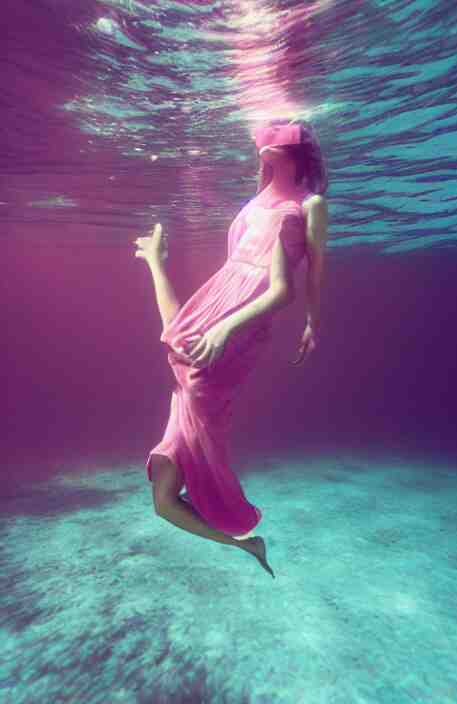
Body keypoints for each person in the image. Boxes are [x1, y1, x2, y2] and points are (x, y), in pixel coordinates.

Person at [134, 118, 329, 578]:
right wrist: (158, 265)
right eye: (263, 146)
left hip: (244, 321)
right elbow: (228, 275)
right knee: (163, 503)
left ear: (293, 154)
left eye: (274, 146)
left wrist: (310, 321)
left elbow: (293, 284)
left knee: (192, 372)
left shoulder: (308, 205)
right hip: (221, 300)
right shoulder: (255, 204)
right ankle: (248, 544)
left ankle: (236, 520)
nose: (263, 150)